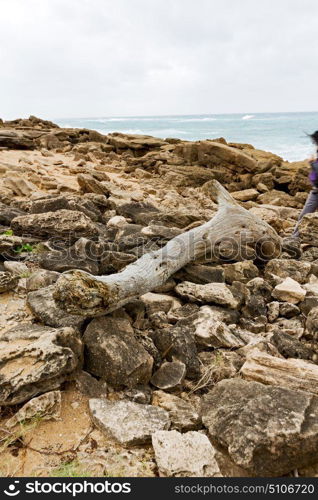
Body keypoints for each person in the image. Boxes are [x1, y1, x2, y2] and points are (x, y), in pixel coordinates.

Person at [283, 131, 318, 258]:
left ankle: (294, 238)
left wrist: (312, 162)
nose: (314, 142)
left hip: (315, 190)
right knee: (304, 215)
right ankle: (294, 239)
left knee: (305, 215)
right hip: (315, 191)